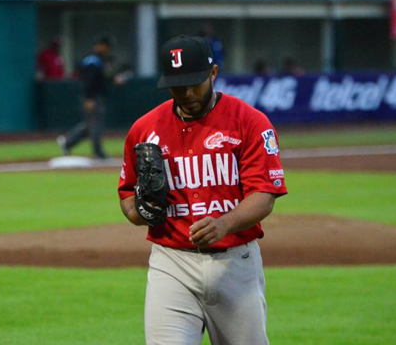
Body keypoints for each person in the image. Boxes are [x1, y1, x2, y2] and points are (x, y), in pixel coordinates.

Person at [118, 35, 288, 345]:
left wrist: (225, 223)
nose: (186, 93)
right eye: (177, 86)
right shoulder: (144, 129)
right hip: (171, 263)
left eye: (194, 83)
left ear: (213, 74)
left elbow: (264, 195)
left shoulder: (250, 123)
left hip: (235, 263)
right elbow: (128, 195)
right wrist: (139, 211)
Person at [57, 37, 115, 159]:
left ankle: (68, 142)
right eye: (107, 47)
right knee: (96, 124)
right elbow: (88, 81)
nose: (108, 50)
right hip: (93, 97)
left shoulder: (99, 60)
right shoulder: (92, 60)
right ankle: (98, 152)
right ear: (101, 45)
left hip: (95, 96)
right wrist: (89, 98)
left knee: (90, 125)